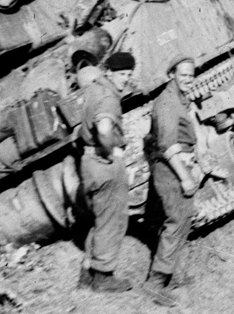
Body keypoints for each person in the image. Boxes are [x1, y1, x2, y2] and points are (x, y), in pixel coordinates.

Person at [143, 55, 202, 307]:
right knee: (177, 220)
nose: (188, 80)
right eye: (183, 75)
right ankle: (155, 283)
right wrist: (185, 177)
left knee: (182, 217)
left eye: (191, 75)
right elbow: (167, 145)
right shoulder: (166, 102)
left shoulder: (177, 98)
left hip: (174, 166)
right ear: (171, 76)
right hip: (169, 169)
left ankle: (169, 275)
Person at [77, 51, 136, 293]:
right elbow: (103, 129)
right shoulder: (109, 96)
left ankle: (86, 273)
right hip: (104, 162)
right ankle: (103, 277)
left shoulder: (92, 88)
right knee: (113, 220)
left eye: (128, 75)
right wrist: (112, 153)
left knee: (101, 218)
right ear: (109, 72)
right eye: (121, 74)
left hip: (88, 162)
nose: (125, 79)